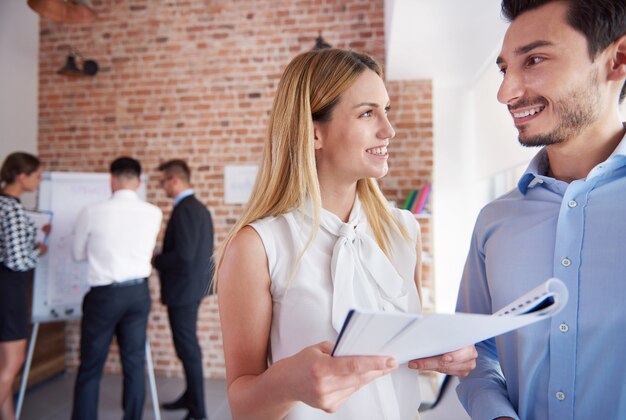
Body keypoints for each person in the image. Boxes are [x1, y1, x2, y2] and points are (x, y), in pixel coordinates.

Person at [216, 48, 477, 420]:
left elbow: (401, 351)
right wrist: (288, 383)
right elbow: (243, 406)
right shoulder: (257, 246)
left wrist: (440, 352)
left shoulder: (403, 230)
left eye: (386, 110)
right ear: (314, 132)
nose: (388, 129)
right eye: (368, 112)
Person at [456, 1, 626, 419]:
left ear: (616, 60)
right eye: (503, 69)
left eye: (534, 59)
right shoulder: (495, 221)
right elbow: (477, 349)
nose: (505, 92)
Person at [71, 157, 162, 420]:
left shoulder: (91, 211)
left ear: (111, 179)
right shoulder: (153, 212)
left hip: (104, 295)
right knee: (134, 363)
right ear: (138, 181)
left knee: (91, 365)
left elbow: (77, 254)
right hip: (138, 294)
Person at [153, 159, 214, 420]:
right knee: (186, 346)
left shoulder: (185, 210)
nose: (161, 186)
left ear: (174, 180)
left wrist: (155, 259)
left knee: (187, 348)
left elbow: (185, 256)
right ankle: (191, 398)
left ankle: (198, 410)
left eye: (163, 181)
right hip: (190, 288)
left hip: (184, 290)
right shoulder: (197, 207)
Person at [0, 152, 49, 420]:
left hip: (3, 286)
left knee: (3, 363)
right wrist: (39, 250)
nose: (39, 181)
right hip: (11, 288)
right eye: (37, 176)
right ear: (22, 176)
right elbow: (18, 260)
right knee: (14, 360)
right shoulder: (13, 208)